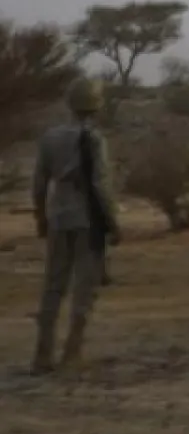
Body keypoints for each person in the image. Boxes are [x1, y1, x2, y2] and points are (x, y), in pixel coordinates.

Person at [30, 77, 121, 375]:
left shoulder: (50, 137)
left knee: (53, 286)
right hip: (88, 220)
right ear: (96, 105)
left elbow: (39, 183)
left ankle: (42, 354)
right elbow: (100, 185)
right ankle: (72, 353)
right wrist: (113, 222)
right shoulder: (94, 139)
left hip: (58, 216)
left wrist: (41, 217)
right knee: (85, 287)